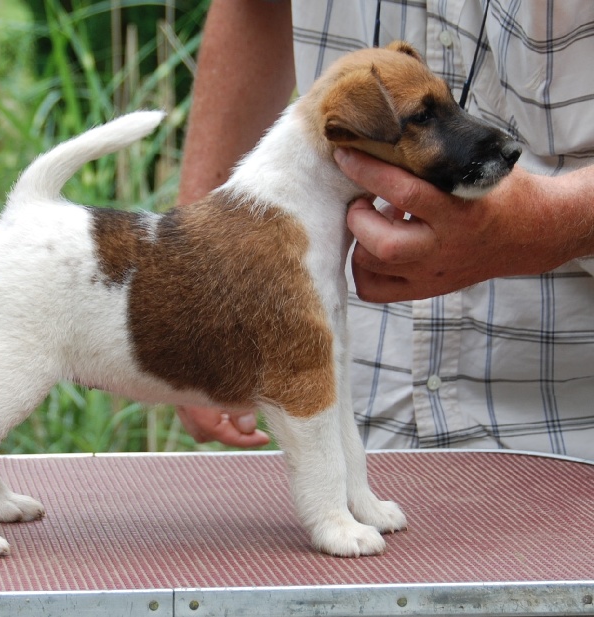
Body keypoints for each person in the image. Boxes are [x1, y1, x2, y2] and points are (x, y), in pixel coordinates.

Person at [175, 0, 594, 459]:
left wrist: (556, 225)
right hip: (361, 395)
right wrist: (201, 279)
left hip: (566, 419)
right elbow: (254, 10)